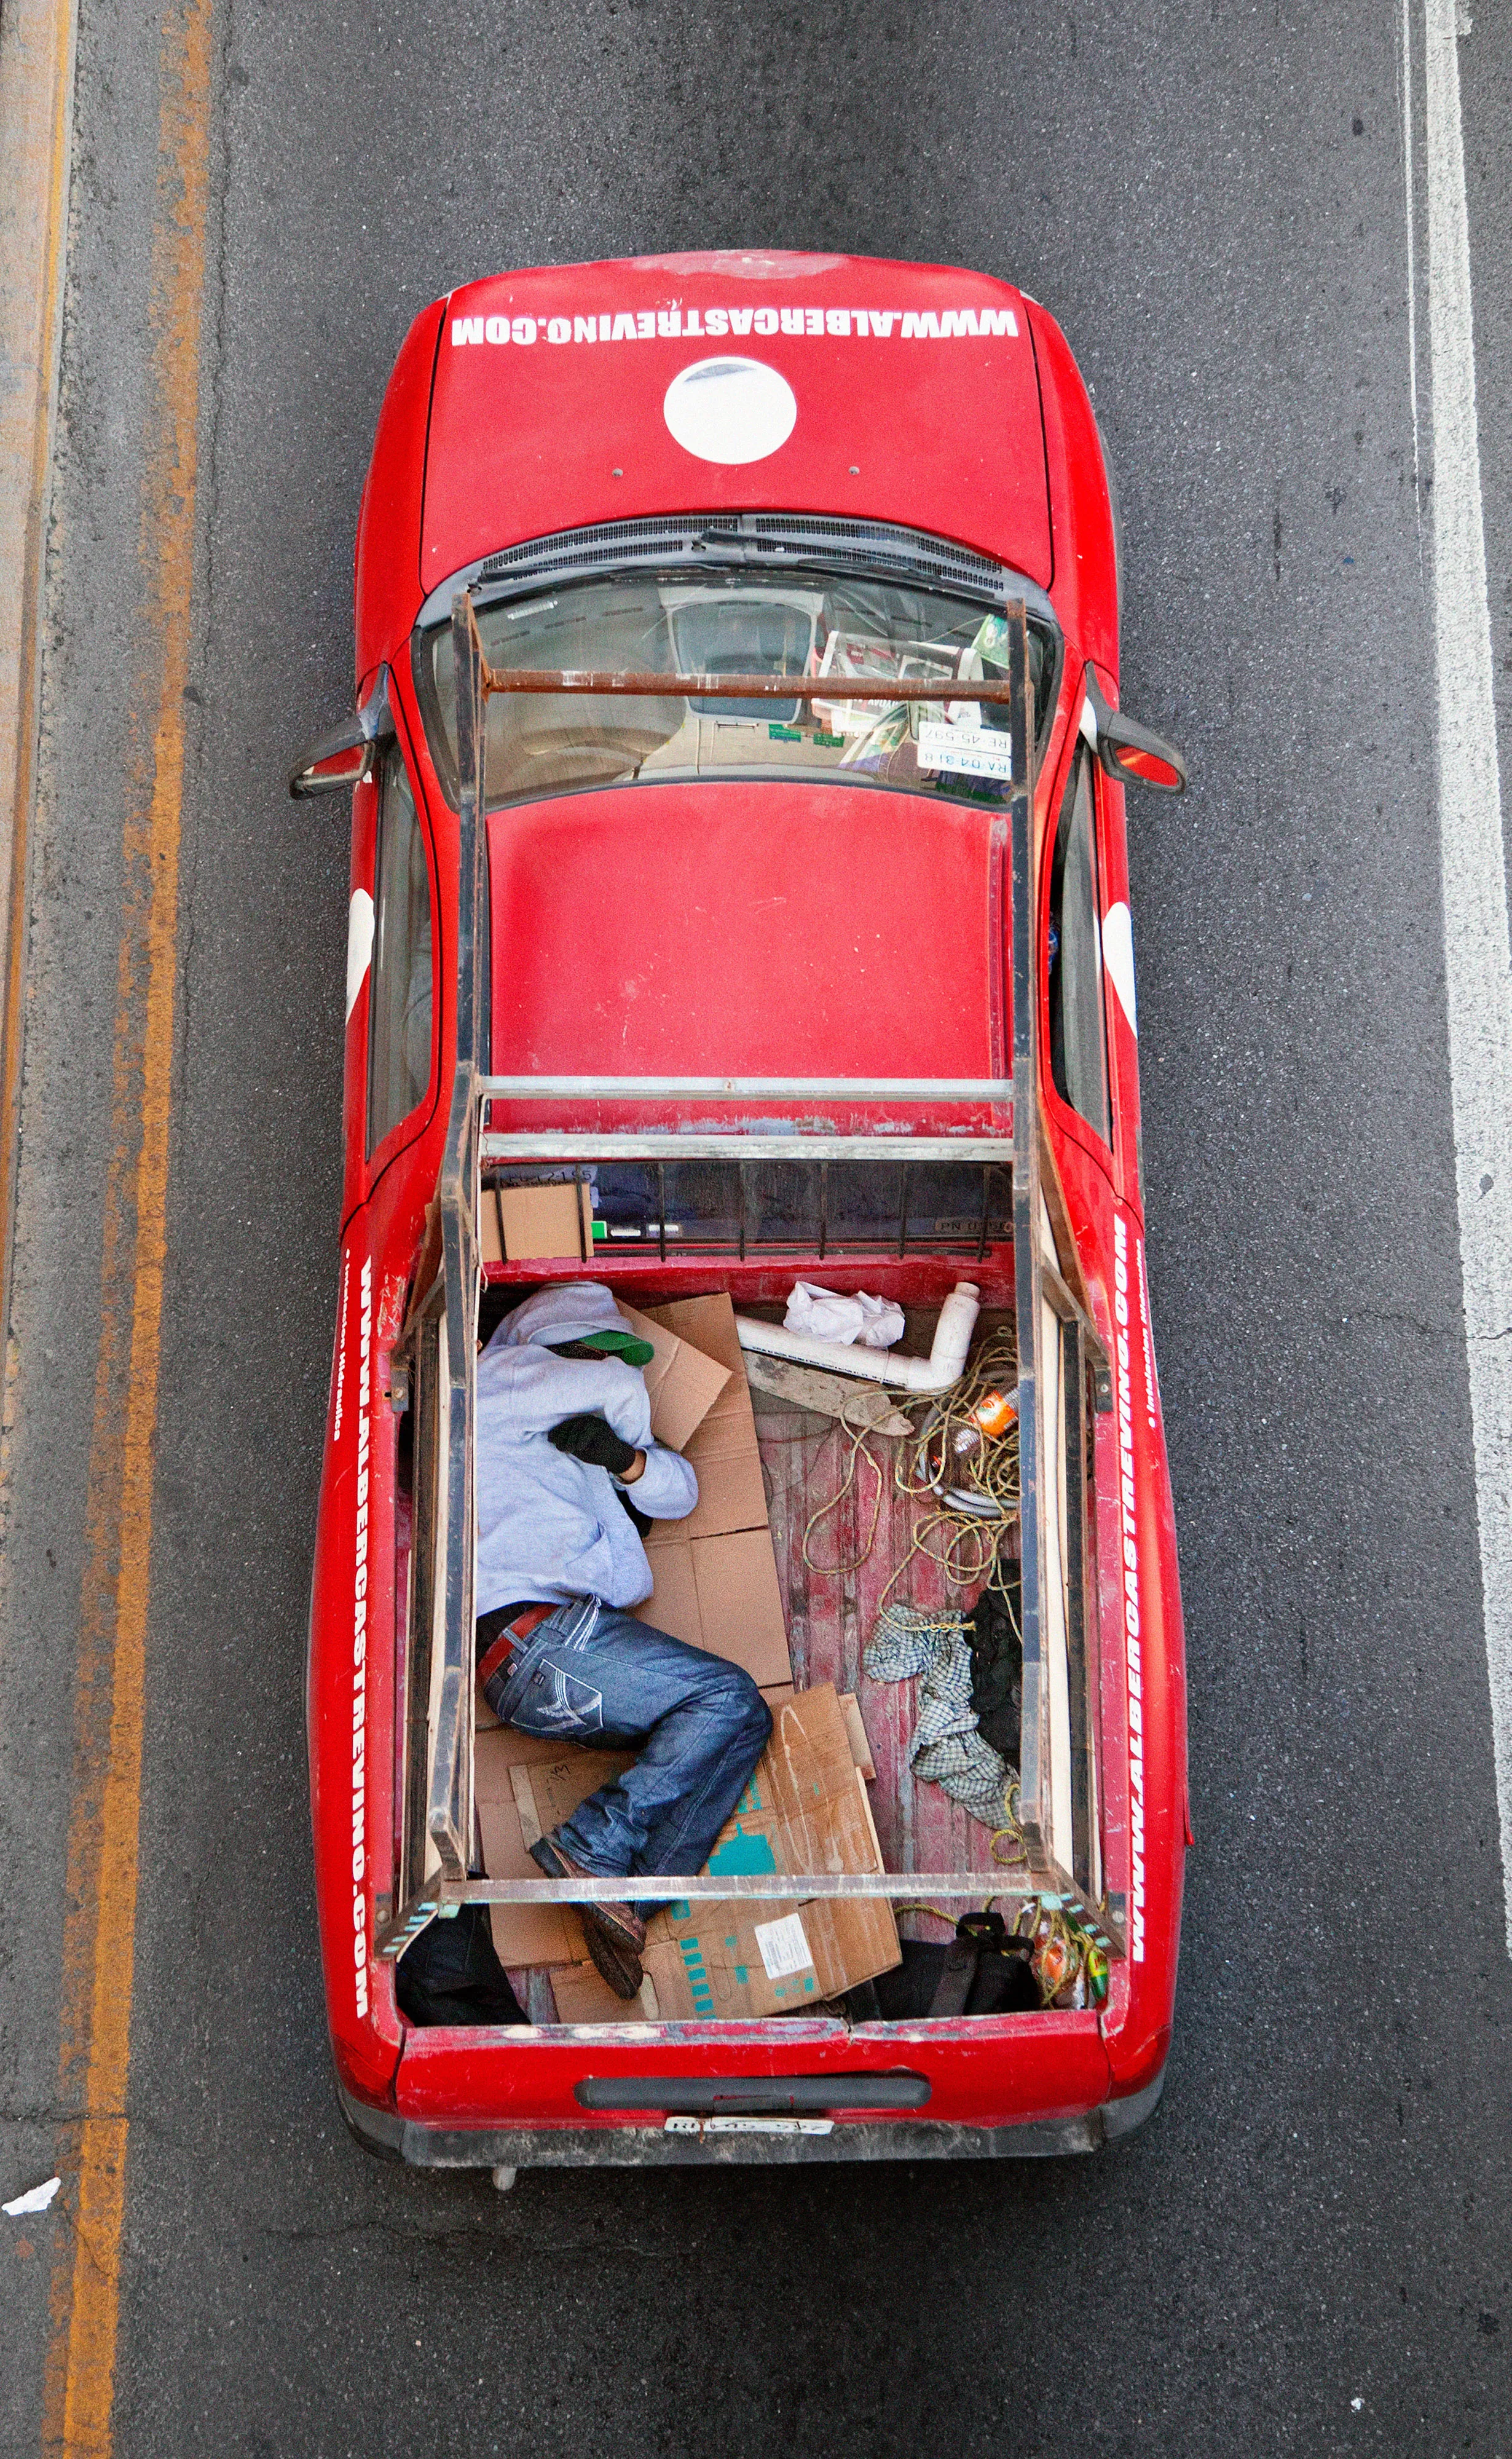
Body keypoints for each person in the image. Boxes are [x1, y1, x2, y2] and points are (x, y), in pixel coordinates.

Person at [474, 1282, 772, 1999]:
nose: (613, 1371)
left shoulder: (573, 1452)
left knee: (743, 1719)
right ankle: (593, 1845)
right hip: (534, 1640)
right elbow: (606, 1382)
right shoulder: (497, 1388)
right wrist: (609, 1393)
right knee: (723, 1695)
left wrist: (626, 1461)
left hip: (550, 1658)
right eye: (593, 1354)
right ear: (552, 1351)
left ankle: (627, 1896)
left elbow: (682, 1494)